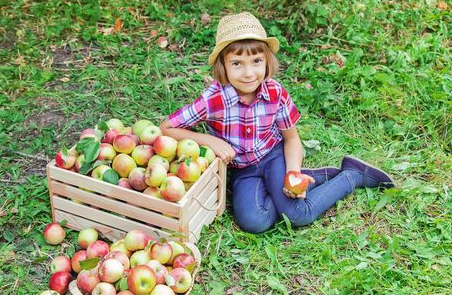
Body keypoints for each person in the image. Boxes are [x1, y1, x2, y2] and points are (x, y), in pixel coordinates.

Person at [160, 12, 394, 233]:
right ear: (223, 65)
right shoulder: (214, 99)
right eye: (237, 63)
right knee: (254, 221)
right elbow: (166, 128)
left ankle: (352, 175)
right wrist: (209, 140)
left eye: (256, 61)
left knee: (299, 214)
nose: (249, 73)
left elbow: (291, 138)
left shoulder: (274, 92)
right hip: (244, 170)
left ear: (266, 61)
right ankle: (314, 177)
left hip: (274, 157)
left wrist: (291, 172)